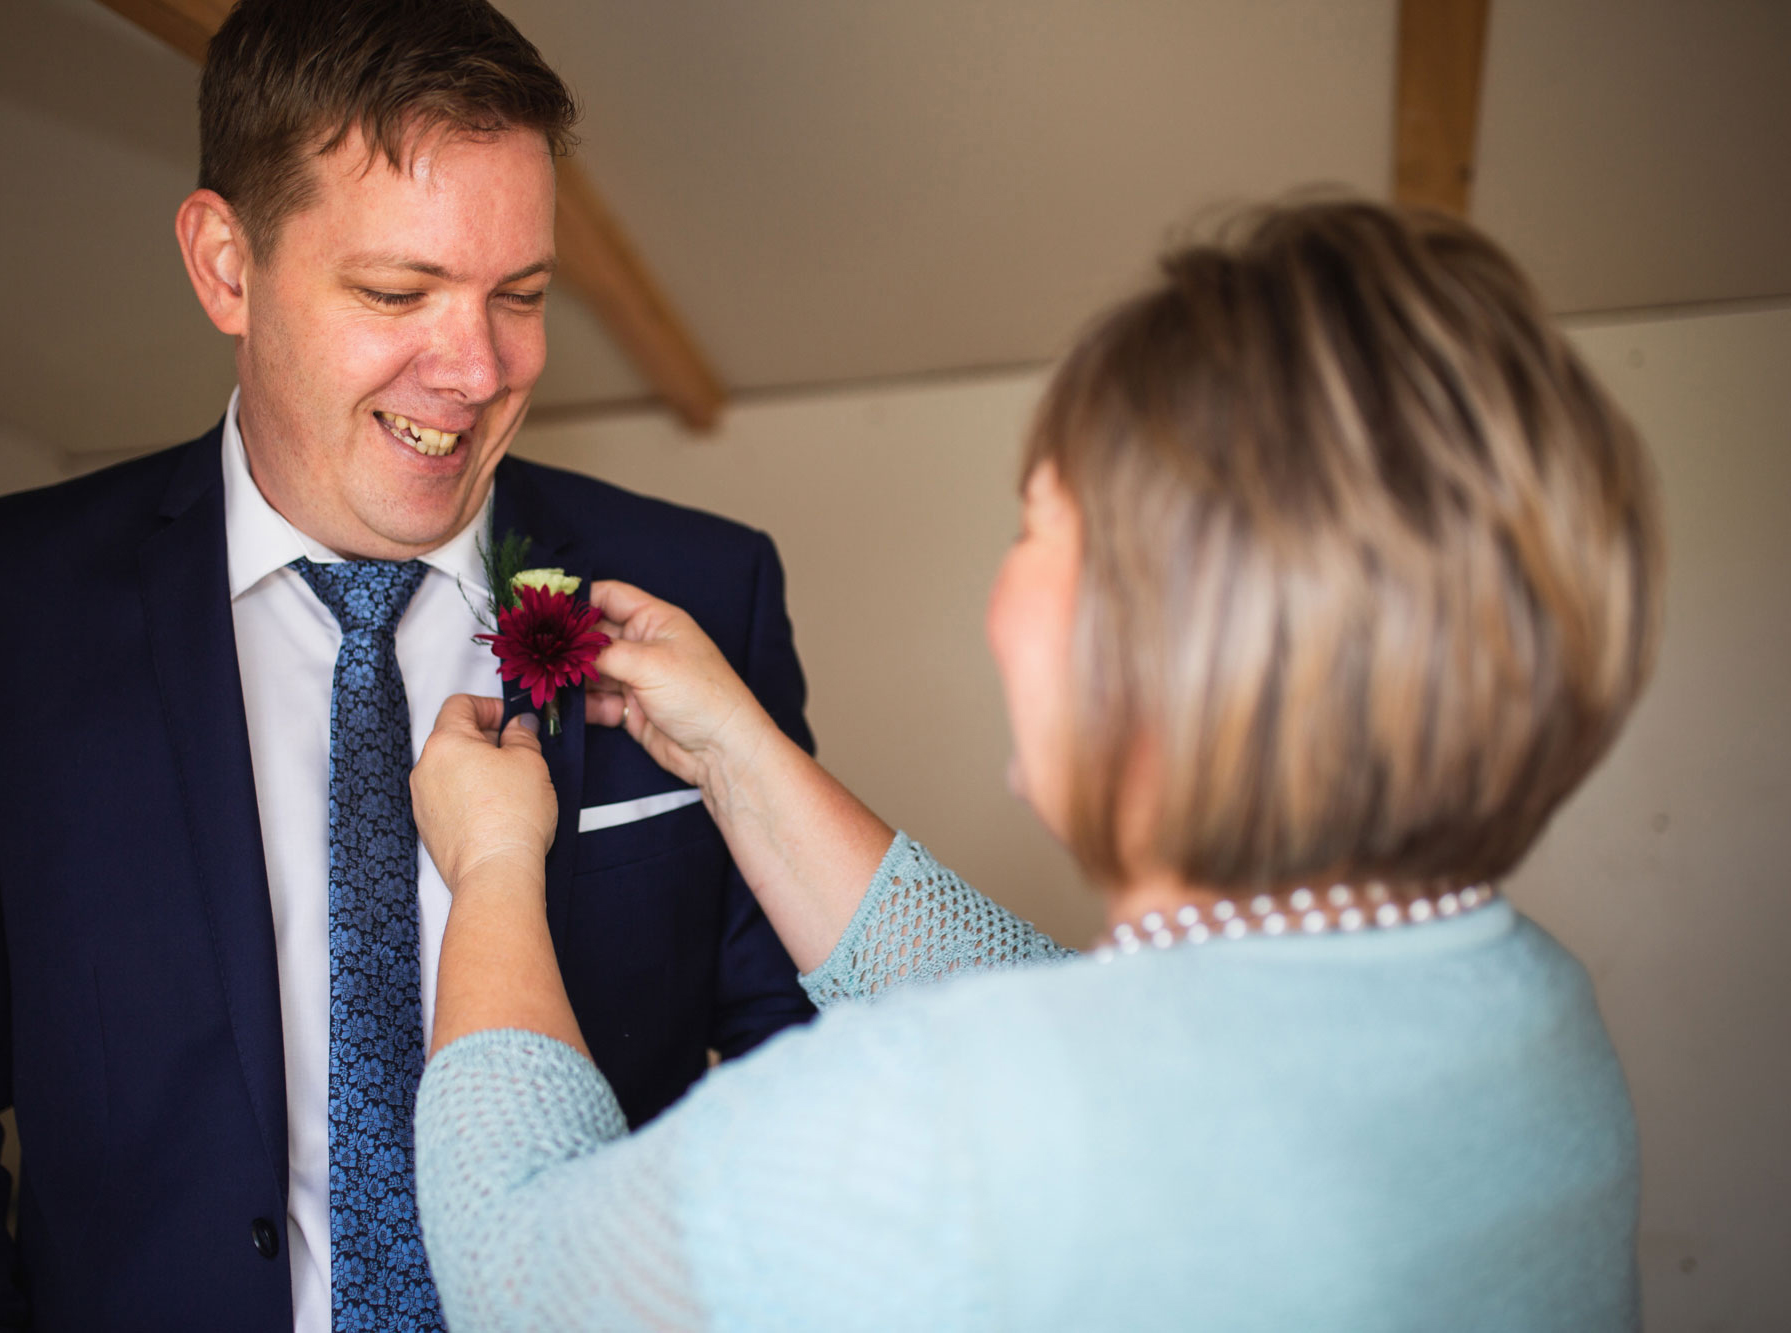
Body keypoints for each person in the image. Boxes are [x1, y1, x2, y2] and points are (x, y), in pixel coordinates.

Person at [407, 200, 1663, 1330]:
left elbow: (517, 1276)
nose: (1002, 585)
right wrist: (734, 751)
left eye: (1037, 525)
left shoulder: (936, 1124)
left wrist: (498, 865)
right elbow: (1089, 1018)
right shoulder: (1525, 999)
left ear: (1170, 632)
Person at [0, 2, 815, 1329]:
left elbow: (814, 1065)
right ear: (226, 265)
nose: (476, 368)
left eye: (523, 295)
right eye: (398, 293)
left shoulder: (699, 590)